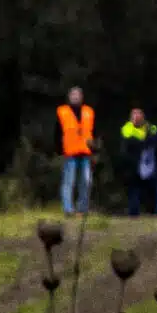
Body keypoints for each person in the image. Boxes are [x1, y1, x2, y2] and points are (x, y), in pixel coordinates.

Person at [55, 87, 97, 217]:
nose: (75, 97)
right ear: (69, 96)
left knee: (86, 181)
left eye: (78, 94)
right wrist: (58, 151)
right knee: (69, 181)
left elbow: (95, 131)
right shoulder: (62, 111)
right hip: (70, 152)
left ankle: (82, 209)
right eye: (73, 94)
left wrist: (95, 149)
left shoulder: (89, 112)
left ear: (82, 96)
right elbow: (57, 133)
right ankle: (68, 209)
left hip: (86, 152)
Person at [117, 107, 155, 217]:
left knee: (148, 191)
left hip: (148, 165)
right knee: (133, 190)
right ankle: (134, 213)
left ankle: (150, 212)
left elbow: (156, 140)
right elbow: (130, 144)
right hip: (132, 166)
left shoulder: (150, 127)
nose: (137, 116)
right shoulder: (127, 128)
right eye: (134, 114)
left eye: (139, 113)